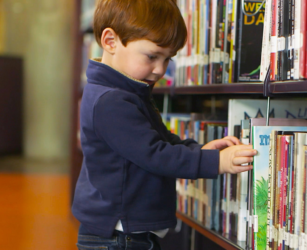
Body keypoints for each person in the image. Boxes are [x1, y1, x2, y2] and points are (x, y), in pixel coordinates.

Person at [72, 0, 257, 249]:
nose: (160, 69)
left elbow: (160, 140)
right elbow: (155, 155)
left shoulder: (125, 90)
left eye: (168, 59)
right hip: (118, 237)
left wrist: (198, 150)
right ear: (110, 41)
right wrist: (218, 163)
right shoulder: (111, 100)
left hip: (125, 233)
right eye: (152, 56)